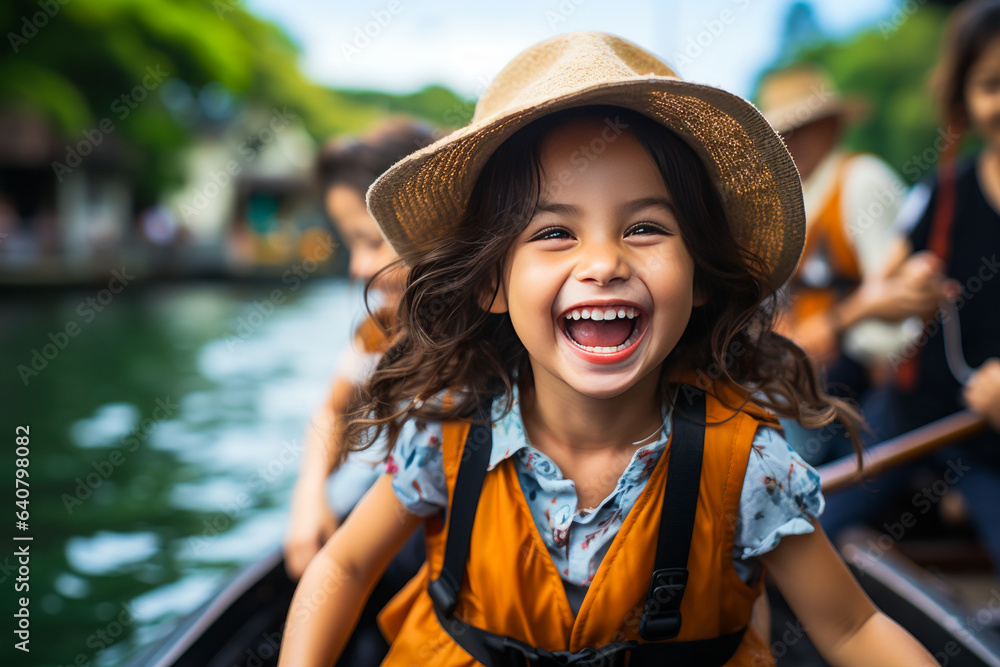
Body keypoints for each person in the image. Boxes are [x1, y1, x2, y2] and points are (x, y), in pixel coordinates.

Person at [279, 32, 937, 667]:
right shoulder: (442, 435)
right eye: (556, 232)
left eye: (645, 226)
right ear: (490, 281)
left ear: (701, 274)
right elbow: (345, 563)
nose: (603, 262)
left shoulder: (750, 466)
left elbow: (852, 626)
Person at [820, 0, 1000, 572]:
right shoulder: (941, 192)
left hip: (990, 444)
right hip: (916, 416)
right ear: (965, 101)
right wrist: (902, 290)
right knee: (808, 541)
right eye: (992, 85)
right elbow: (883, 288)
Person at [282, 119, 436, 664]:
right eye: (353, 243)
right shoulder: (380, 328)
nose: (360, 266)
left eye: (372, 241)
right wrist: (307, 499)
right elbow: (331, 412)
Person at [757, 66, 911, 464]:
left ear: (830, 126)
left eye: (802, 128)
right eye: (782, 134)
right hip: (816, 370)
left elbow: (898, 292)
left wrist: (831, 324)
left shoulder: (860, 180)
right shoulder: (794, 201)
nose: (791, 142)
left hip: (869, 370)